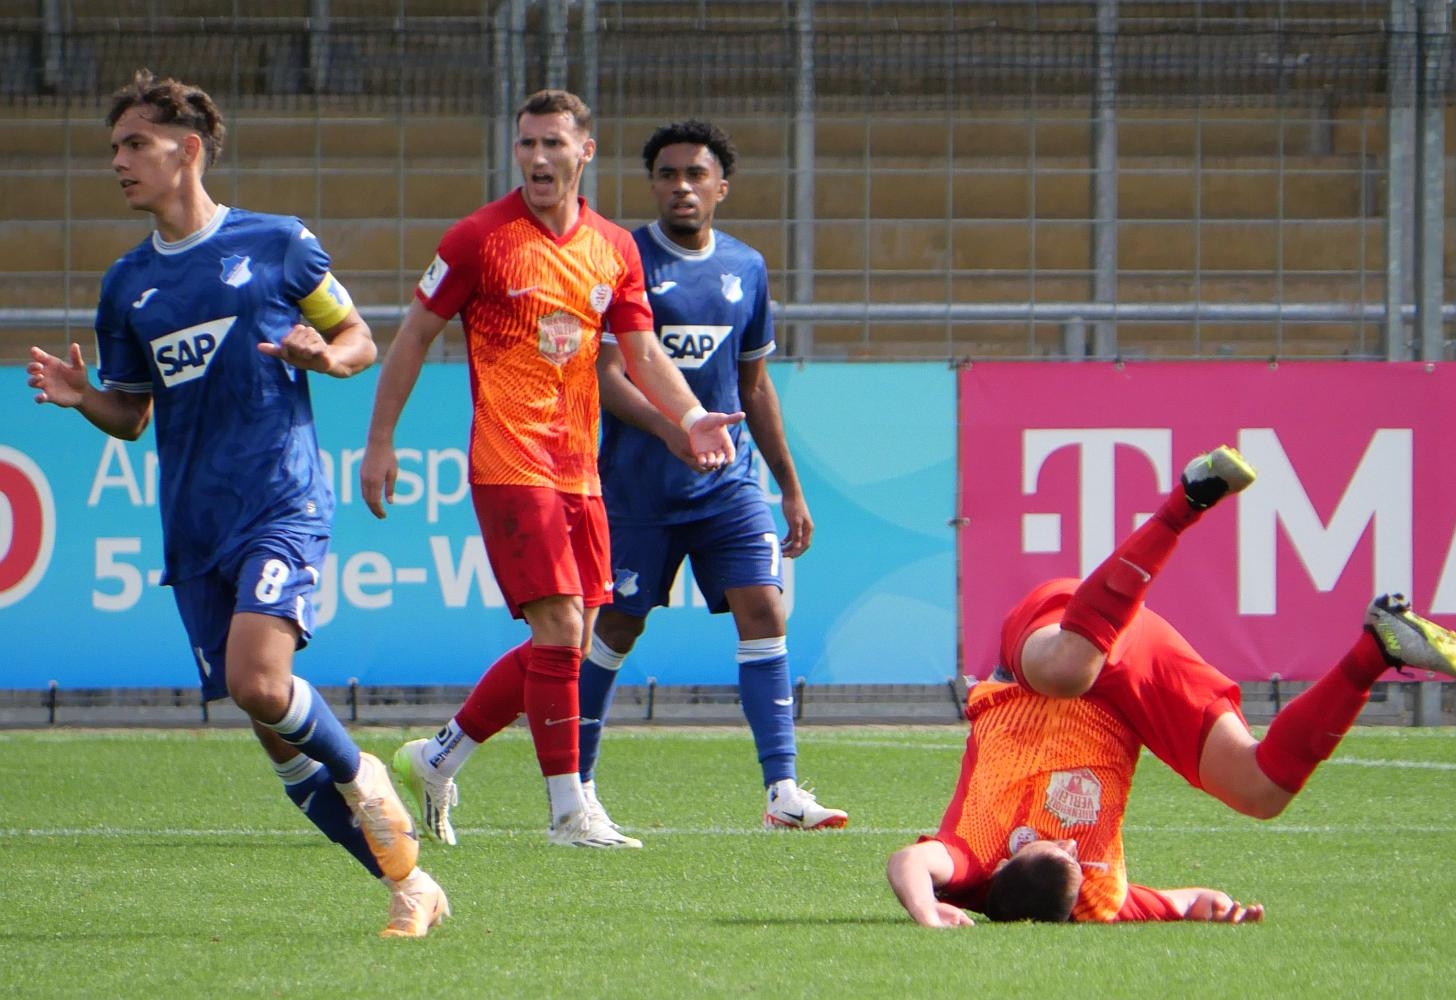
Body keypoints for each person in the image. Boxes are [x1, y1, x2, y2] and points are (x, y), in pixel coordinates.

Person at [25, 70, 446, 938]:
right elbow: (131, 415)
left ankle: (361, 769)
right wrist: (84, 398)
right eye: (114, 147)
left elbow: (357, 337)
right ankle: (409, 884)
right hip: (193, 522)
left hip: (280, 498)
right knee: (272, 731)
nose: (118, 162)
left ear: (188, 150)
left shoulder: (277, 243)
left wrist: (325, 358)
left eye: (135, 144)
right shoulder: (127, 285)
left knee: (261, 682)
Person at [360, 91, 741, 849]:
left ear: (583, 152)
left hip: (579, 468)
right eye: (527, 144)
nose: (538, 158)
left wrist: (690, 415)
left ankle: (437, 759)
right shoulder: (478, 238)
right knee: (562, 627)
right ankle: (570, 811)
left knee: (567, 638)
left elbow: (642, 353)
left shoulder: (614, 248)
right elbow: (413, 335)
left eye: (553, 144)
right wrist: (380, 440)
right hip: (509, 459)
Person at [887, 445, 1456, 927]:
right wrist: (1204, 906)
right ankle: (1378, 647)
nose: (1072, 849)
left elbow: (908, 861)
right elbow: (1174, 901)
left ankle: (1186, 501)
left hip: (1058, 647)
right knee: (1261, 791)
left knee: (1067, 672)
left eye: (1053, 850)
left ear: (1005, 865)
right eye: (1073, 861)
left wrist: (926, 910)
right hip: (1132, 684)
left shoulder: (972, 859)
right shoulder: (1090, 894)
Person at [569, 119, 846, 839]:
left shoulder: (746, 267)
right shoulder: (622, 258)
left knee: (765, 608)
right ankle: (577, 788)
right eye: (667, 174)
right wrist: (671, 430)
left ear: (722, 186)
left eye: (696, 174)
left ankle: (783, 791)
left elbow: (753, 385)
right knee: (617, 626)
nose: (682, 186)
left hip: (727, 483)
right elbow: (606, 374)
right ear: (652, 184)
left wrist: (789, 486)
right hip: (639, 489)